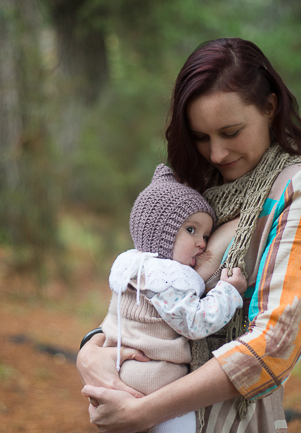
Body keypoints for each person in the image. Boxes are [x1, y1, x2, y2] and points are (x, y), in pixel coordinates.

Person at [78, 37, 301, 433]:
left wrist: (144, 412)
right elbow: (146, 291)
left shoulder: (300, 188)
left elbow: (275, 343)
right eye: (201, 137)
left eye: (231, 132)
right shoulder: (193, 191)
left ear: (269, 108)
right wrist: (92, 349)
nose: (216, 153)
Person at [101, 163, 248, 433]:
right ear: (161, 235)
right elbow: (195, 323)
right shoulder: (166, 280)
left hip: (126, 378)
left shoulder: (134, 269)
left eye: (205, 235)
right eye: (191, 230)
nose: (202, 243)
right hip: (154, 386)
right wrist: (227, 291)